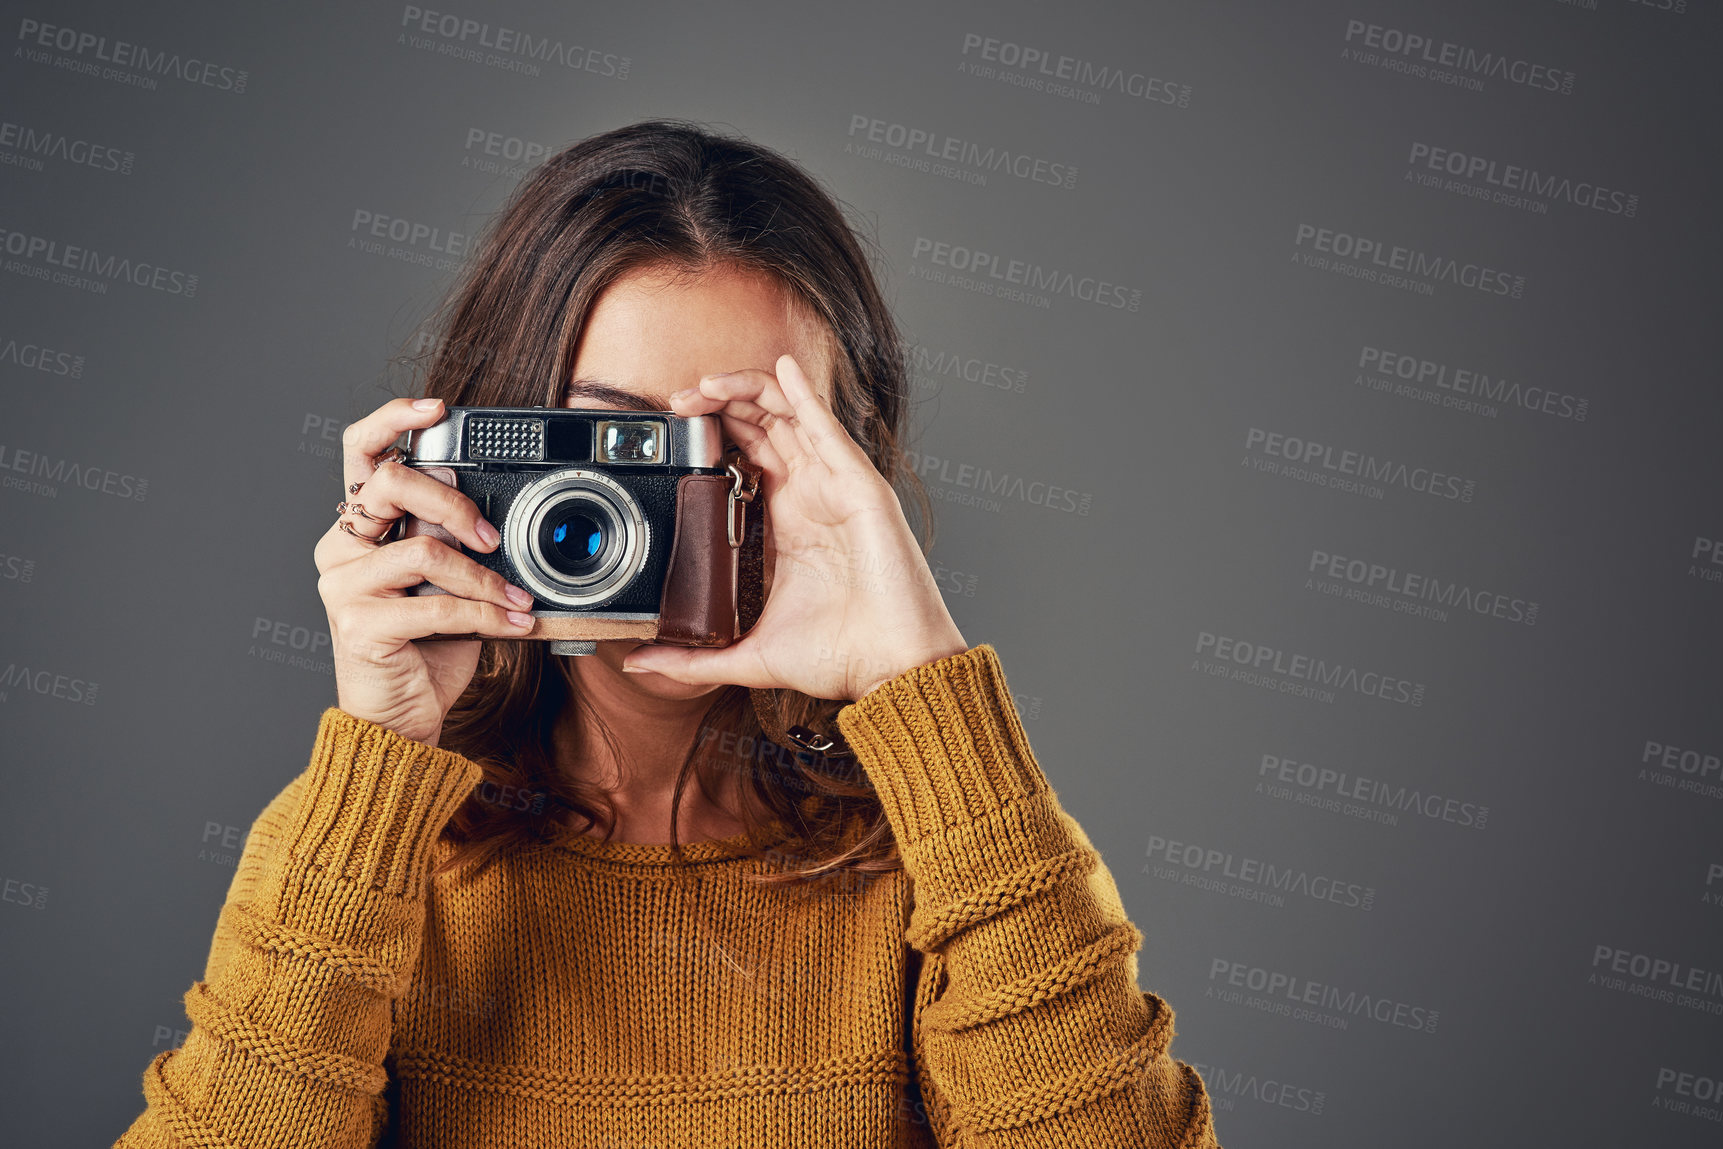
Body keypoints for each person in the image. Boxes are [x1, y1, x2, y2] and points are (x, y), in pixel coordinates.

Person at [116, 120, 1220, 1148]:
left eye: (745, 441)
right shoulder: (366, 853)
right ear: (491, 454)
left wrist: (927, 689)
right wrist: (381, 768)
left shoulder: (955, 861)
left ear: (854, 468)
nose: (677, 517)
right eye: (612, 446)